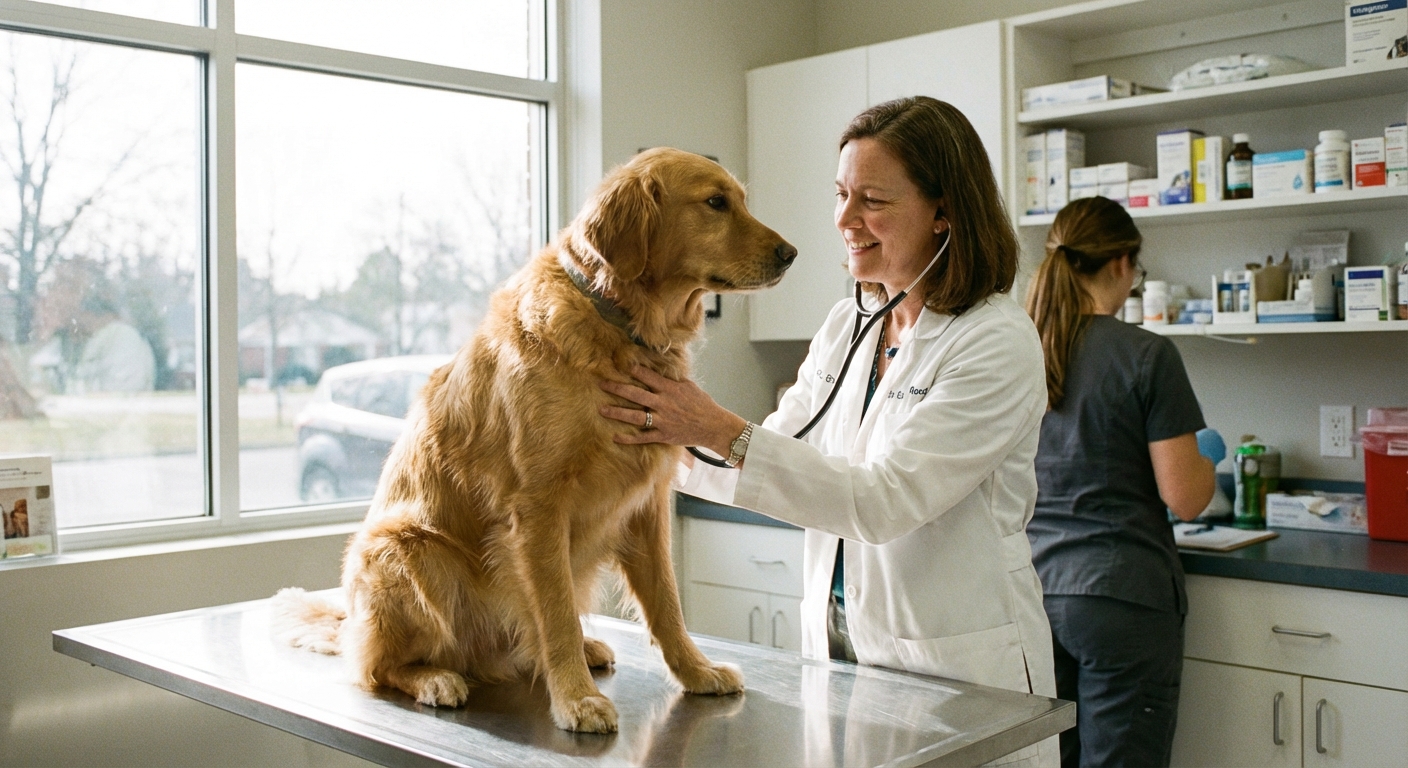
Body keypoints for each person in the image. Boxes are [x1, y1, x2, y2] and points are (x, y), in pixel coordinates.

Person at [600, 96, 1058, 767]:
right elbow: (775, 450)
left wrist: (714, 426)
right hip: (842, 661)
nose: (844, 220)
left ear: (944, 212)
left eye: (872, 199)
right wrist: (652, 429)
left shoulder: (995, 342)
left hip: (959, 674)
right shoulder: (850, 326)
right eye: (841, 194)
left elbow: (883, 503)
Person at [1023, 196, 1217, 768]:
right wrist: (1204, 458)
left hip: (1033, 591)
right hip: (1119, 600)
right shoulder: (1147, 355)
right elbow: (1185, 497)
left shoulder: (1020, 351)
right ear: (1121, 264)